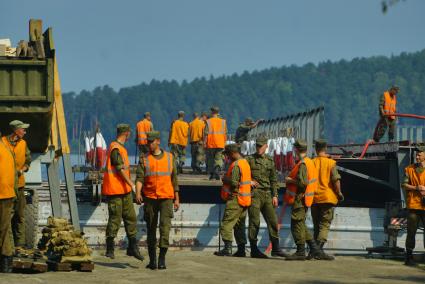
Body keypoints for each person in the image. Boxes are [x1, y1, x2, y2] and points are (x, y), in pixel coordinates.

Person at [135, 131, 180, 270]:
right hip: (150, 198)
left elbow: (174, 179)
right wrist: (137, 193)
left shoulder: (169, 157)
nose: (149, 144)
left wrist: (177, 198)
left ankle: (162, 259)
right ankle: (153, 261)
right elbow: (139, 179)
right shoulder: (144, 159)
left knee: (165, 228)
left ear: (158, 141)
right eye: (148, 142)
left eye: (151, 141)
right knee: (150, 229)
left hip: (166, 197)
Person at [102, 124, 144, 261]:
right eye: (129, 132)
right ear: (126, 133)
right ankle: (109, 249)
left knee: (131, 218)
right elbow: (119, 169)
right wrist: (132, 184)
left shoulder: (121, 148)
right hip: (115, 191)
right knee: (115, 219)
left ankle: (132, 247)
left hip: (124, 191)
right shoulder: (115, 148)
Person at [246, 136, 287, 258]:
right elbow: (240, 175)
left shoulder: (270, 160)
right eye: (257, 146)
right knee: (255, 222)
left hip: (267, 194)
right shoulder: (249, 159)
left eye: (261, 146)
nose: (258, 148)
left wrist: (275, 195)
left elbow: (274, 179)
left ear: (266, 147)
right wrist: (249, 181)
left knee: (273, 221)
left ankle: (276, 248)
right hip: (255, 194)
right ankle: (254, 249)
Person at [284, 139, 320, 261]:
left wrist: (289, 180)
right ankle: (314, 248)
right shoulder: (309, 162)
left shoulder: (303, 164)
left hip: (300, 198)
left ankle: (300, 251)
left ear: (296, 150)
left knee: (296, 225)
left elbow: (302, 183)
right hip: (306, 198)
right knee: (300, 224)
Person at [214, 144, 251, 257]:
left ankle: (227, 248)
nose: (227, 157)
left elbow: (234, 182)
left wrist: (224, 178)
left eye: (228, 155)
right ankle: (241, 249)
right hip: (244, 199)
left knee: (226, 224)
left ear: (232, 153)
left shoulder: (236, 165)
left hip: (235, 198)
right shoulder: (245, 163)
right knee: (239, 226)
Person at [2, 120, 31, 254]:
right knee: (5, 218)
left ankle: (20, 245)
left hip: (19, 185)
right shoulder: (2, 143)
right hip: (6, 187)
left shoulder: (24, 144)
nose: (25, 132)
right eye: (23, 129)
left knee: (19, 215)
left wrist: (23, 169)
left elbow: (28, 161)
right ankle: (8, 247)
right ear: (16, 130)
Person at [311, 139, 343, 260]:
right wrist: (339, 193)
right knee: (324, 225)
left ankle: (316, 252)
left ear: (315, 148)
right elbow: (336, 180)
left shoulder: (311, 162)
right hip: (327, 198)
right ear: (326, 148)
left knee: (316, 226)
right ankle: (318, 251)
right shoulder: (331, 163)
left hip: (314, 198)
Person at [402, 145, 425, 266]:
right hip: (414, 206)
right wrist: (417, 188)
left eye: (419, 154)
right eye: (416, 154)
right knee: (411, 232)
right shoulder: (409, 169)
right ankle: (409, 257)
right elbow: (404, 185)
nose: (417, 156)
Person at [0, 133, 17, 273]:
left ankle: (6, 261)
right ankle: (7, 261)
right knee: (5, 228)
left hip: (2, 194)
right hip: (8, 193)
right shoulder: (5, 149)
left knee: (3, 229)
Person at [204, 106, 227, 180]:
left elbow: (206, 134)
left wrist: (204, 143)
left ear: (211, 112)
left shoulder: (208, 121)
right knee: (218, 158)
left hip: (211, 143)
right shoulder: (223, 122)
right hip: (220, 143)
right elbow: (225, 133)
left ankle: (212, 173)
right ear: (218, 112)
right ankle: (217, 170)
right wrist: (225, 143)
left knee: (210, 159)